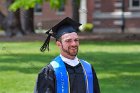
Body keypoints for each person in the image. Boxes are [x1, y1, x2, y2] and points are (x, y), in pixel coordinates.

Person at [34, 17, 100, 93]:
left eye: (76, 40)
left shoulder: (88, 69)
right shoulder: (50, 71)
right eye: (68, 41)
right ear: (59, 44)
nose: (74, 44)